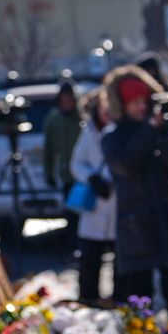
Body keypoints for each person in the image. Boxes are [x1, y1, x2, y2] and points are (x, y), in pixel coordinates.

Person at [101, 65, 168, 319]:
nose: (141, 107)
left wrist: (165, 139)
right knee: (140, 300)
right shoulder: (113, 137)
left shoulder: (158, 131)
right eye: (134, 102)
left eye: (144, 101)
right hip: (136, 227)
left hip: (167, 219)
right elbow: (126, 164)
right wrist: (150, 132)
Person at [69, 89, 116, 303]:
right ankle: (88, 298)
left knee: (120, 259)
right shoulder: (87, 133)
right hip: (94, 205)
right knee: (89, 258)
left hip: (116, 204)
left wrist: (109, 179)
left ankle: (119, 301)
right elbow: (76, 163)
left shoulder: (119, 130)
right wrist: (92, 178)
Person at [42, 78, 82, 196]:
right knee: (70, 210)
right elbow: (48, 150)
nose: (67, 103)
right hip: (66, 175)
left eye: (70, 99)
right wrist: (49, 174)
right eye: (64, 100)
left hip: (83, 175)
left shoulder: (83, 118)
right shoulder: (54, 120)